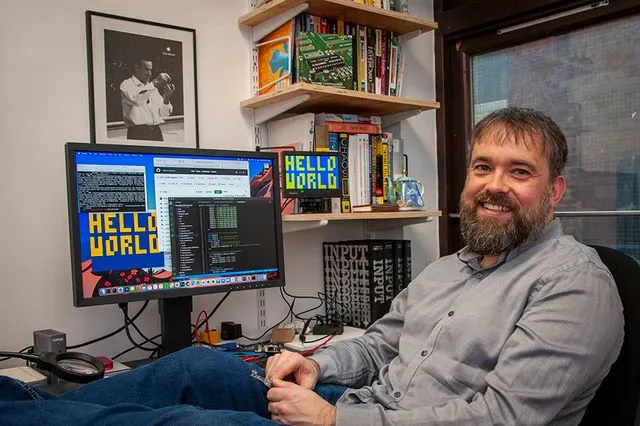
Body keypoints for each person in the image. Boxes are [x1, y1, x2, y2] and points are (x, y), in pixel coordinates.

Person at [0, 107, 623, 425]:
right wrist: (318, 365)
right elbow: (379, 345)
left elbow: (503, 420)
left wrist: (335, 419)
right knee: (197, 366)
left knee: (191, 422)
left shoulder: (575, 284)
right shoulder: (451, 267)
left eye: (519, 172)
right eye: (483, 166)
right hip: (358, 404)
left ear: (554, 191)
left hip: (366, 421)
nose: (494, 185)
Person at [119, 58, 175, 141]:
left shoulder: (153, 89)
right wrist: (155, 81)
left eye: (150, 70)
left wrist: (166, 98)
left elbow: (164, 114)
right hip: (137, 133)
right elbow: (137, 100)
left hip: (156, 132)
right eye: (146, 69)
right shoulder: (127, 84)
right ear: (137, 68)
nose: (149, 73)